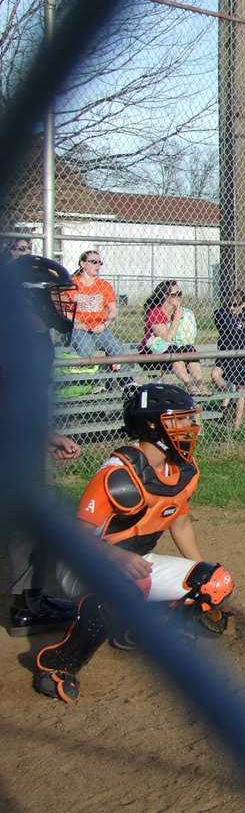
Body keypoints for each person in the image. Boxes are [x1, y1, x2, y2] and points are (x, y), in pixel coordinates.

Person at [33, 383, 234, 703]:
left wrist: (204, 578)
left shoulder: (183, 470)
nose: (188, 428)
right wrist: (115, 557)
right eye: (179, 421)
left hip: (136, 561)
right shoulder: (118, 474)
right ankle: (58, 666)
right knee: (125, 587)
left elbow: (180, 523)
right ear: (153, 425)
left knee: (215, 581)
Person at [5, 255, 82, 636]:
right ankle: (26, 602)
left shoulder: (40, 341)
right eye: (54, 296)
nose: (63, 304)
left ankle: (28, 602)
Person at [69, 249, 133, 379]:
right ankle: (91, 383)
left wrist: (105, 324)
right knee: (85, 345)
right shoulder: (72, 284)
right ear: (82, 264)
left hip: (99, 328)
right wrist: (76, 323)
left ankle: (125, 382)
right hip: (78, 329)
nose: (97, 265)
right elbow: (63, 310)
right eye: (93, 262)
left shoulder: (104, 285)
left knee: (117, 348)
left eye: (99, 262)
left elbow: (113, 311)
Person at [139, 280, 210, 395]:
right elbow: (167, 338)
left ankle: (200, 385)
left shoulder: (179, 311)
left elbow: (186, 336)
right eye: (176, 294)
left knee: (189, 349)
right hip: (151, 353)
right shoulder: (155, 312)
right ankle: (190, 385)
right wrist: (176, 319)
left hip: (173, 348)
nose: (179, 297)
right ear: (166, 297)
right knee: (174, 351)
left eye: (180, 293)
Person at [211, 289, 245, 428]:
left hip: (241, 358)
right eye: (229, 305)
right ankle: (226, 392)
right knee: (215, 374)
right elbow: (221, 320)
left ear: (243, 304)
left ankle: (237, 423)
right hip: (226, 354)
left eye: (235, 305)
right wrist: (230, 313)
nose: (232, 308)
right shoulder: (223, 314)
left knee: (240, 390)